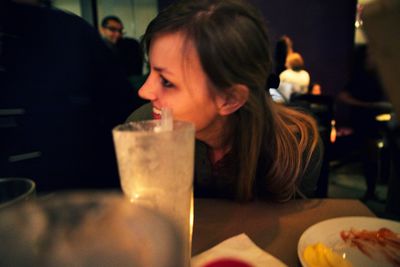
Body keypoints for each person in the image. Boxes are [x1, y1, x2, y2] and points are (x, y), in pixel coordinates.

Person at [128, 0, 322, 202]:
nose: (144, 91)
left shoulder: (296, 147)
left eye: (166, 82)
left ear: (230, 99)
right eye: (150, 71)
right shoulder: (142, 132)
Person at [0, 1, 144, 192]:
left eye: (120, 31)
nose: (116, 34)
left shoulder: (74, 33)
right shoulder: (74, 33)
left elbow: (127, 114)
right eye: (111, 29)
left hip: (91, 203)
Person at [338, 44, 392, 201]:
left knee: (371, 155)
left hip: (373, 120)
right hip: (362, 120)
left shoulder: (378, 75)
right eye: (370, 54)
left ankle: (371, 190)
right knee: (369, 155)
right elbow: (343, 96)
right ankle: (370, 191)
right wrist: (369, 105)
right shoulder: (360, 76)